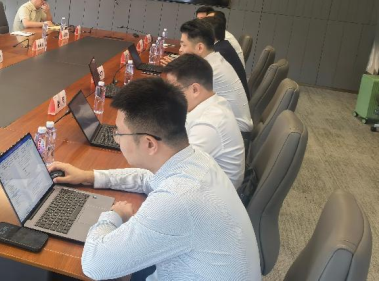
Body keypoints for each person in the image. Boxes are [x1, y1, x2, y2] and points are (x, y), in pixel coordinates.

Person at [48, 78, 260, 281]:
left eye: (119, 133)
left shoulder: (177, 198)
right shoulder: (195, 158)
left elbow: (95, 264)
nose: (117, 139)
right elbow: (146, 178)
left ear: (149, 144)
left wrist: (114, 215)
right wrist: (88, 176)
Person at [162, 54, 245, 188]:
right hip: (202, 183)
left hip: (211, 195)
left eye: (173, 89)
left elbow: (175, 172)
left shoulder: (208, 124)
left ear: (195, 90)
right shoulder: (213, 102)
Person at [177, 19, 253, 135]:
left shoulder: (209, 70)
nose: (180, 50)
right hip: (228, 126)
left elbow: (185, 103)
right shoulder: (215, 60)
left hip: (235, 131)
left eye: (184, 45)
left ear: (200, 48)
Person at [203, 15, 250, 100]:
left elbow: (201, 78)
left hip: (231, 104)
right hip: (235, 98)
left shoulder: (219, 53)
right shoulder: (223, 45)